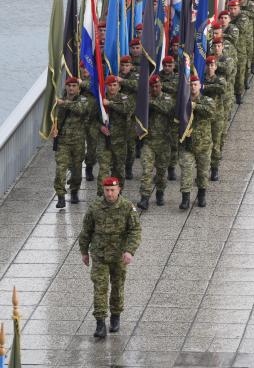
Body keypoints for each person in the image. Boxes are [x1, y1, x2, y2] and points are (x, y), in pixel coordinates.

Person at [79, 176, 141, 339]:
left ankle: (115, 316)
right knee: (100, 287)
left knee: (117, 287)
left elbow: (135, 231)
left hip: (118, 256)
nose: (110, 193)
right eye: (107, 190)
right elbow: (86, 231)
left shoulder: (127, 207)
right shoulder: (95, 207)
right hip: (99, 255)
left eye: (113, 190)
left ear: (119, 189)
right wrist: (84, 251)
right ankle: (100, 322)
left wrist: (129, 251)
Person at [178, 71, 216, 210]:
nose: (193, 87)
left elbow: (211, 111)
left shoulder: (207, 100)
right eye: (191, 85)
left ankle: (201, 195)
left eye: (195, 85)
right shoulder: (182, 102)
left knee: (202, 172)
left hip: (203, 144)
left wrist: (195, 106)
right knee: (186, 172)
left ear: (200, 86)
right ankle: (185, 199)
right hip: (186, 145)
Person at [137, 74, 174, 211]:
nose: (155, 89)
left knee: (161, 171)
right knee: (146, 171)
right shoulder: (144, 99)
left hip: (164, 142)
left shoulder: (168, 98)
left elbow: (166, 109)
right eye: (152, 87)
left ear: (161, 86)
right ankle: (145, 197)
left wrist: (150, 102)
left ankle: (160, 192)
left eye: (157, 86)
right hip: (149, 142)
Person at [53, 75, 88, 209]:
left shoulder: (83, 100)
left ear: (79, 89)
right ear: (66, 87)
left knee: (77, 171)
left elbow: (81, 109)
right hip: (62, 141)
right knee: (60, 169)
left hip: (78, 142)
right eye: (69, 86)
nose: (71, 88)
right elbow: (52, 117)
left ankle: (74, 191)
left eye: (74, 86)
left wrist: (64, 103)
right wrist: (53, 129)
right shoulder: (58, 101)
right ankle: (61, 196)